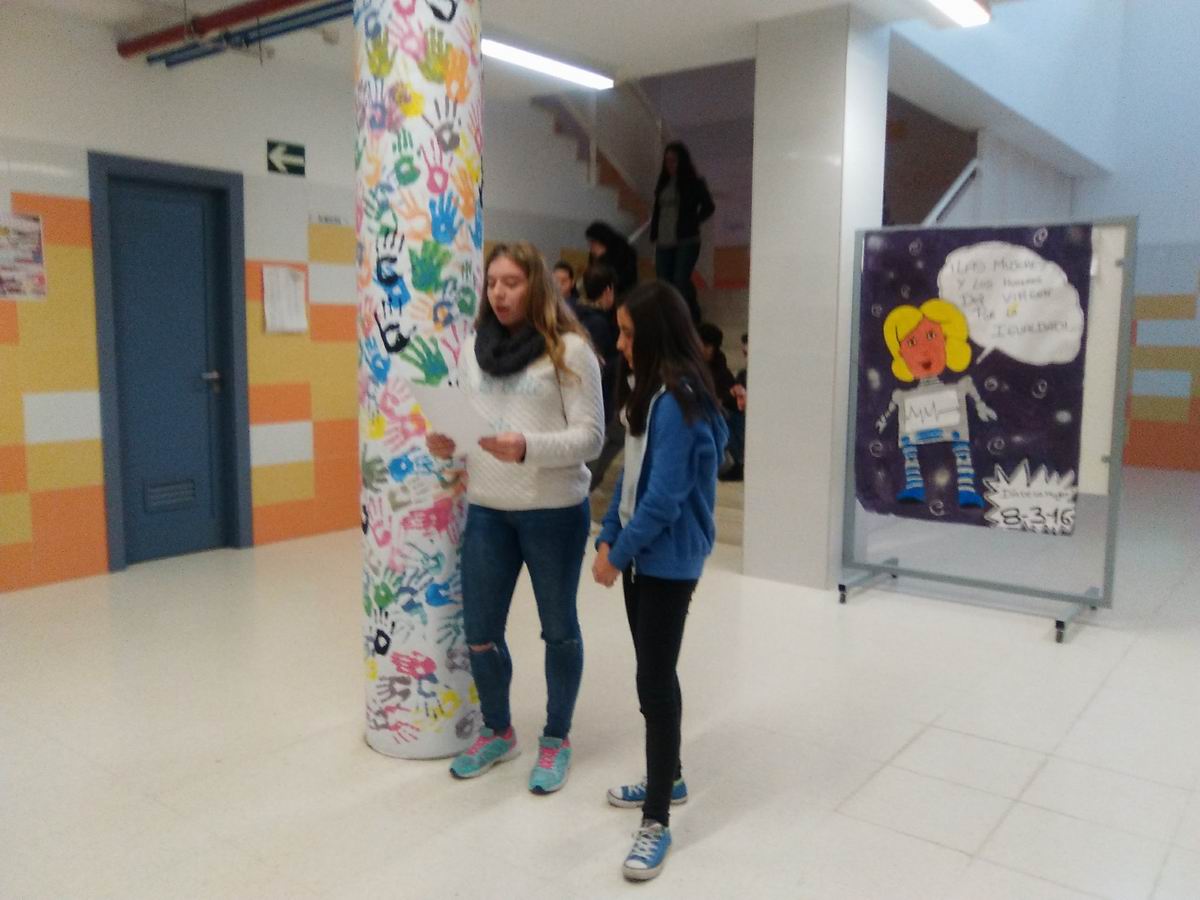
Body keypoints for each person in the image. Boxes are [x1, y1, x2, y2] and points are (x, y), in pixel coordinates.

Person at [427, 241, 605, 794]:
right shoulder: (472, 349)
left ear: (537, 286)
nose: (499, 293)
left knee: (558, 631)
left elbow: (592, 438)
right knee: (480, 632)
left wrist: (528, 446)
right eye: (492, 283)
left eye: (512, 282)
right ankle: (498, 730)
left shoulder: (570, 350)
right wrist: (446, 442)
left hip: (554, 512)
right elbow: (469, 422)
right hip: (488, 508)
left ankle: (556, 738)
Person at [591, 281, 728, 882]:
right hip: (642, 558)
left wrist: (616, 554)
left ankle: (657, 819)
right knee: (655, 671)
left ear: (654, 336)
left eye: (628, 333)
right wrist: (606, 534)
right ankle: (667, 777)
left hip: (667, 563)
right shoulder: (649, 397)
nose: (620, 344)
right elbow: (630, 478)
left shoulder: (677, 403)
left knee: (653, 679)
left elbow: (665, 499)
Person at [650, 142, 715, 325]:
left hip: (686, 240)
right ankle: (672, 319)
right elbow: (657, 210)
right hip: (664, 240)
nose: (670, 165)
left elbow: (709, 207)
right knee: (664, 282)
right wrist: (654, 232)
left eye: (674, 161)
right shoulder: (663, 183)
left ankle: (689, 319)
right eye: (667, 161)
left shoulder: (694, 183)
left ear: (682, 161)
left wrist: (694, 221)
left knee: (680, 280)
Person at [581, 262, 623, 492]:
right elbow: (600, 365)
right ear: (608, 291)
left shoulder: (575, 315)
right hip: (598, 398)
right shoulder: (598, 323)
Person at [585, 220, 639, 298]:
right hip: (601, 292)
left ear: (601, 240)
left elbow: (619, 278)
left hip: (622, 292)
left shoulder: (622, 251)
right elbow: (592, 275)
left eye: (593, 242)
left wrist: (602, 258)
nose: (590, 246)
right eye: (590, 242)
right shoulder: (594, 253)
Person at [724, 333, 748, 482]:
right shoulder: (743, 374)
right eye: (745, 354)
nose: (747, 358)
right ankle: (738, 461)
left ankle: (739, 460)